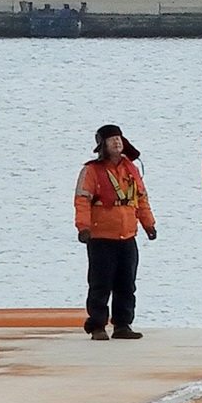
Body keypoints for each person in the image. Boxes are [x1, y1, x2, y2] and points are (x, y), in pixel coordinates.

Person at [73, 124, 155, 340]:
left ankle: (122, 325)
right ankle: (97, 326)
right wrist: (84, 228)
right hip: (101, 238)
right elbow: (82, 200)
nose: (117, 142)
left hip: (128, 236)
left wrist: (149, 224)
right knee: (100, 284)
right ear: (103, 146)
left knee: (127, 284)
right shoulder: (91, 171)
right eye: (112, 140)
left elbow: (141, 198)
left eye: (119, 138)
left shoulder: (131, 169)